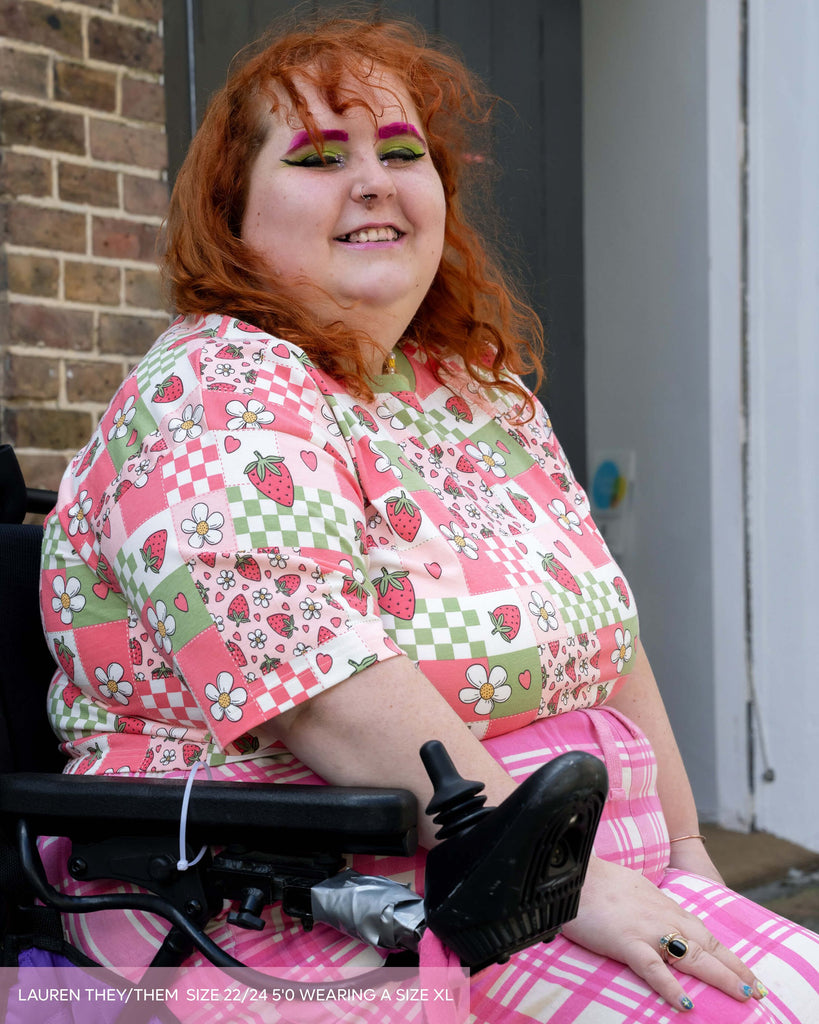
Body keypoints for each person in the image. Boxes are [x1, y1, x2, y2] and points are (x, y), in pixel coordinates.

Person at [39, 13, 819, 1024]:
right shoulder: (218, 382)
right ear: (231, 215)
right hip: (317, 910)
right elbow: (314, 678)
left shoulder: (477, 394)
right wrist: (563, 882)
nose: (373, 179)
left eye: (401, 151)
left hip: (575, 886)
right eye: (320, 158)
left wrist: (689, 861)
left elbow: (609, 638)